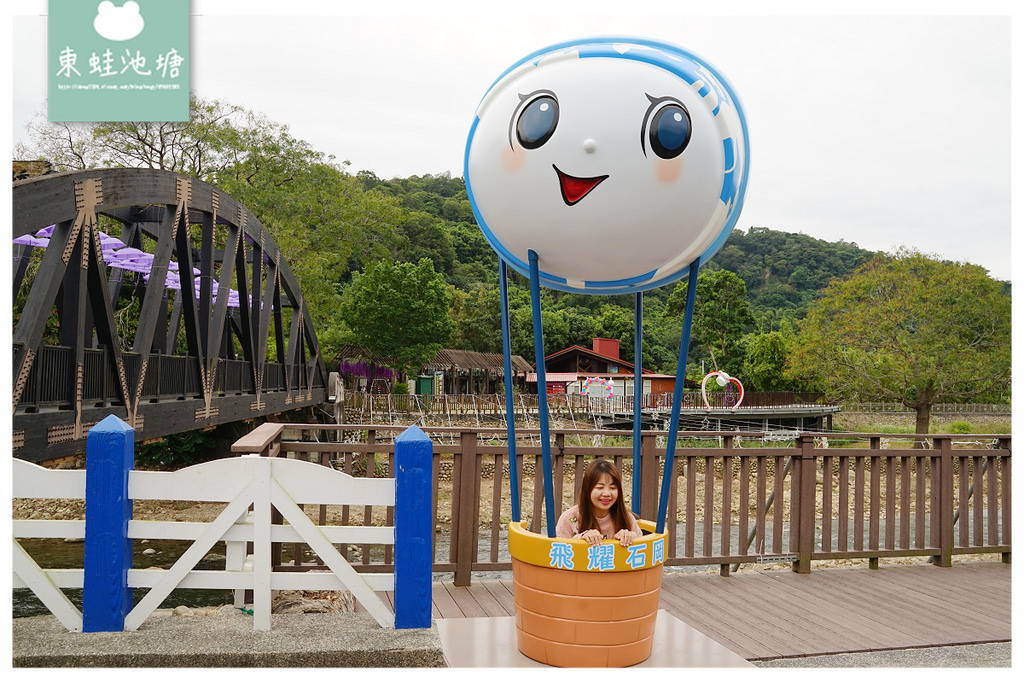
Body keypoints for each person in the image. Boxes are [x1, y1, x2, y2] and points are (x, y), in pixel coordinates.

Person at [556, 459, 642, 547]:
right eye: (600, 487)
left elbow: (643, 547)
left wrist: (630, 537)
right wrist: (581, 540)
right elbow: (557, 552)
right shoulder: (569, 519)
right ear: (588, 489)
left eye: (612, 488)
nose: (607, 494)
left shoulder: (626, 518)